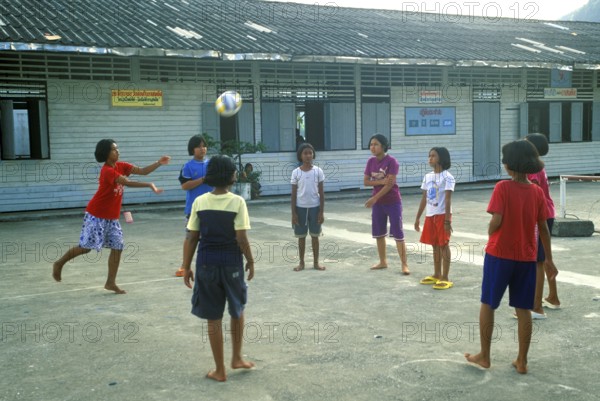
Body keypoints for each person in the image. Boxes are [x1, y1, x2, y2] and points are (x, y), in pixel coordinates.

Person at [465, 139, 558, 374]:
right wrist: (548, 258)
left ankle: (485, 356)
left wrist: (490, 230)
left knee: (488, 303)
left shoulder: (502, 188)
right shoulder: (536, 191)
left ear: (510, 164)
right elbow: (544, 228)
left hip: (500, 255)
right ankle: (522, 361)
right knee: (523, 309)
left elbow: (496, 220)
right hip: (526, 257)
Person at [52, 139, 170, 294]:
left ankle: (110, 282)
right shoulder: (107, 171)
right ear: (106, 153)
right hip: (96, 215)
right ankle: (59, 263)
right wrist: (149, 185)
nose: (118, 151)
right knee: (86, 248)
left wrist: (159, 163)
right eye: (114, 149)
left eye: (117, 148)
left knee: (117, 246)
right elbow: (126, 182)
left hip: (112, 218)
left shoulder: (122, 166)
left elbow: (142, 171)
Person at [182, 155, 255, 382]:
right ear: (232, 176)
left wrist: (186, 266)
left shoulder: (200, 202)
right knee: (237, 309)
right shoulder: (237, 202)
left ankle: (219, 370)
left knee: (213, 317)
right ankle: (237, 358)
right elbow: (241, 237)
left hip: (206, 264)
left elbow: (192, 237)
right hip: (232, 263)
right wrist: (250, 260)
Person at [364, 134, 410, 275]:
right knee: (379, 233)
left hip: (392, 202)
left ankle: (404, 265)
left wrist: (374, 198)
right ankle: (383, 261)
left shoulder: (392, 162)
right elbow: (366, 181)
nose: (373, 147)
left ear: (384, 146)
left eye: (376, 144)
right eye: (371, 144)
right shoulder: (370, 162)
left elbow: (389, 184)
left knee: (398, 233)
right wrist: (380, 182)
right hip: (378, 204)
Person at [526, 133, 560, 315]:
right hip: (548, 212)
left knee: (538, 261)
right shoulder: (539, 165)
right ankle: (553, 296)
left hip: (540, 216)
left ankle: (536, 306)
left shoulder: (532, 167)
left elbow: (532, 195)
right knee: (546, 257)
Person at [414, 147, 455, 290]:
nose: (430, 158)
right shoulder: (428, 177)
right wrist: (418, 217)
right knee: (434, 245)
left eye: (433, 156)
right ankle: (437, 274)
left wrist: (447, 220)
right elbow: (424, 198)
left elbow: (448, 199)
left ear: (442, 158)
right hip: (430, 215)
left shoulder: (447, 177)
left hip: (442, 215)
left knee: (444, 244)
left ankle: (445, 277)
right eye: (429, 155)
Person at [175, 135, 212, 277]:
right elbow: (185, 185)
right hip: (194, 209)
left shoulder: (212, 164)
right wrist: (203, 179)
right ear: (192, 149)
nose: (202, 149)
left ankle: (208, 264)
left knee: (211, 238)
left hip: (212, 208)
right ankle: (185, 266)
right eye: (198, 146)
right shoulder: (188, 166)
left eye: (204, 146)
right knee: (191, 238)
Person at [291, 143, 325, 271]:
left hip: (315, 208)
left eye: (310, 153)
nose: (308, 155)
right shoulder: (296, 173)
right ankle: (301, 263)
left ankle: (316, 263)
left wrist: (321, 212)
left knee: (315, 236)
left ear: (313, 155)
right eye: (305, 153)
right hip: (300, 209)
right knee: (301, 237)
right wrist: (293, 213)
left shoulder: (318, 171)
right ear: (300, 155)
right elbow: (293, 195)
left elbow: (321, 193)